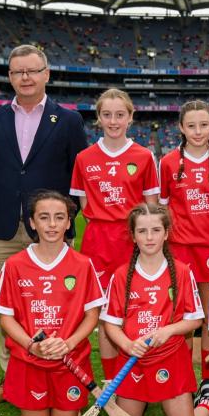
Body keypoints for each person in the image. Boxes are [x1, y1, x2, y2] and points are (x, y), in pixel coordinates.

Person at [0, 44, 88, 404]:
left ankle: (63, 373)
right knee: (9, 311)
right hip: (5, 229)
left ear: (46, 74)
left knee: (59, 308)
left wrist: (63, 217)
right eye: (17, 72)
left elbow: (78, 175)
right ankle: (11, 380)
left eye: (32, 71)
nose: (25, 78)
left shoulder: (69, 120)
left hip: (52, 231)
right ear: (10, 77)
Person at [0, 191, 105, 416]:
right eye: (44, 217)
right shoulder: (15, 265)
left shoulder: (83, 264)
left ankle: (55, 411)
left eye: (59, 217)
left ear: (68, 223)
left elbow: (92, 315)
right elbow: (6, 318)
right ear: (32, 222)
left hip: (70, 362)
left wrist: (69, 343)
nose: (52, 224)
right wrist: (32, 345)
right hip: (30, 361)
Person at [100, 203, 209, 416]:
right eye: (142, 231)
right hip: (134, 363)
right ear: (133, 236)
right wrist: (128, 345)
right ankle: (146, 400)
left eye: (155, 230)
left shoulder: (181, 272)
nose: (149, 237)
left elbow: (196, 319)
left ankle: (207, 399)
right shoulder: (121, 275)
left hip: (171, 359)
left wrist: (168, 330)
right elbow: (110, 324)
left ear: (166, 233)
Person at [69, 88, 159, 381]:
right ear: (98, 118)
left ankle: (137, 374)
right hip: (97, 244)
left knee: (136, 309)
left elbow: (151, 207)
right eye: (106, 115)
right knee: (105, 315)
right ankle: (112, 381)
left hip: (132, 243)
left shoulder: (144, 156)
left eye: (120, 114)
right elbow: (84, 206)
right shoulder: (84, 158)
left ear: (130, 117)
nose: (113, 120)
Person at [159, 100, 209, 396]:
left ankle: (206, 380)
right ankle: (182, 378)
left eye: (203, 124)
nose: (198, 131)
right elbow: (164, 208)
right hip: (180, 248)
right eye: (191, 125)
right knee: (183, 318)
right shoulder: (167, 163)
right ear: (181, 127)